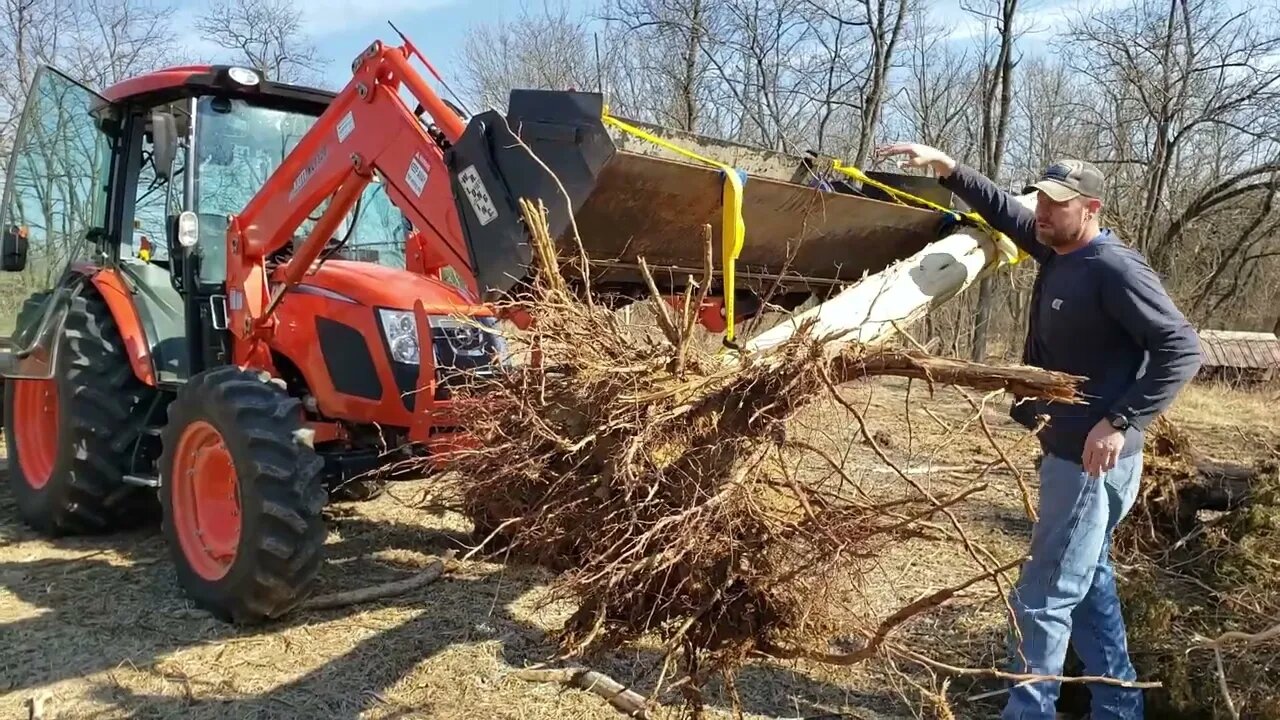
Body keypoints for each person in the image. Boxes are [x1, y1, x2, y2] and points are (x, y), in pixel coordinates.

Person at [874, 144, 1202, 720]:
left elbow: (1182, 348)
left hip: (1089, 459)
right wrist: (947, 167)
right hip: (1074, 451)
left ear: (1092, 208)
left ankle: (1030, 711)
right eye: (1043, 200)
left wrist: (1120, 421)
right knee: (1089, 582)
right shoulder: (1058, 250)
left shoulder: (1113, 268)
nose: (1042, 212)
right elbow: (1003, 209)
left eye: (1057, 204)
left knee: (1045, 594)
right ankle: (1119, 708)